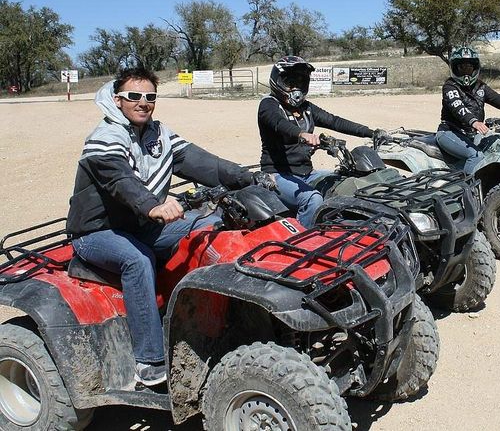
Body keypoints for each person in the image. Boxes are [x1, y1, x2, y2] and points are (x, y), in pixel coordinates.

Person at [66, 67, 269, 388]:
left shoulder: (159, 134)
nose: (143, 102)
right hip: (96, 232)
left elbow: (204, 163)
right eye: (134, 96)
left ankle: (212, 315)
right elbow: (120, 181)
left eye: (150, 96)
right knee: (138, 260)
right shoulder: (104, 138)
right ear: (118, 100)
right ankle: (148, 361)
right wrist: (153, 206)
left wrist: (248, 178)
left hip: (143, 223)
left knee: (214, 223)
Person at [257, 56, 386, 228]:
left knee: (345, 183)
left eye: (300, 83)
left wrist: (370, 132)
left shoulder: (306, 109)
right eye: (290, 82)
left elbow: (335, 121)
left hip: (307, 173)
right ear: (277, 81)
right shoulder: (269, 105)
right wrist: (301, 134)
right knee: (312, 199)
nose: (296, 88)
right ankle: (304, 242)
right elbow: (279, 124)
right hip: (277, 174)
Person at [437, 46, 500, 174]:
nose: (466, 71)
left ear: (475, 68)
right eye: (461, 67)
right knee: (476, 155)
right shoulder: (450, 86)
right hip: (450, 132)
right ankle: (468, 191)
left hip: (471, 134)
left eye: (469, 67)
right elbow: (457, 106)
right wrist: (473, 121)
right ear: (455, 68)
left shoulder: (481, 87)